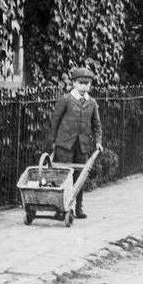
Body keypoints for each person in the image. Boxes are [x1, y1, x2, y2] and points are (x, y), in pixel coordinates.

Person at [47, 66, 103, 219]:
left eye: (87, 83)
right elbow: (55, 121)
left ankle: (78, 208)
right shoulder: (66, 99)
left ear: (90, 85)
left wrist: (98, 142)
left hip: (82, 145)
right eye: (81, 83)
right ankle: (63, 209)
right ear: (74, 83)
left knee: (80, 177)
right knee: (64, 177)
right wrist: (53, 142)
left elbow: (96, 125)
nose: (84, 86)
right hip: (64, 145)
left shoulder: (92, 103)